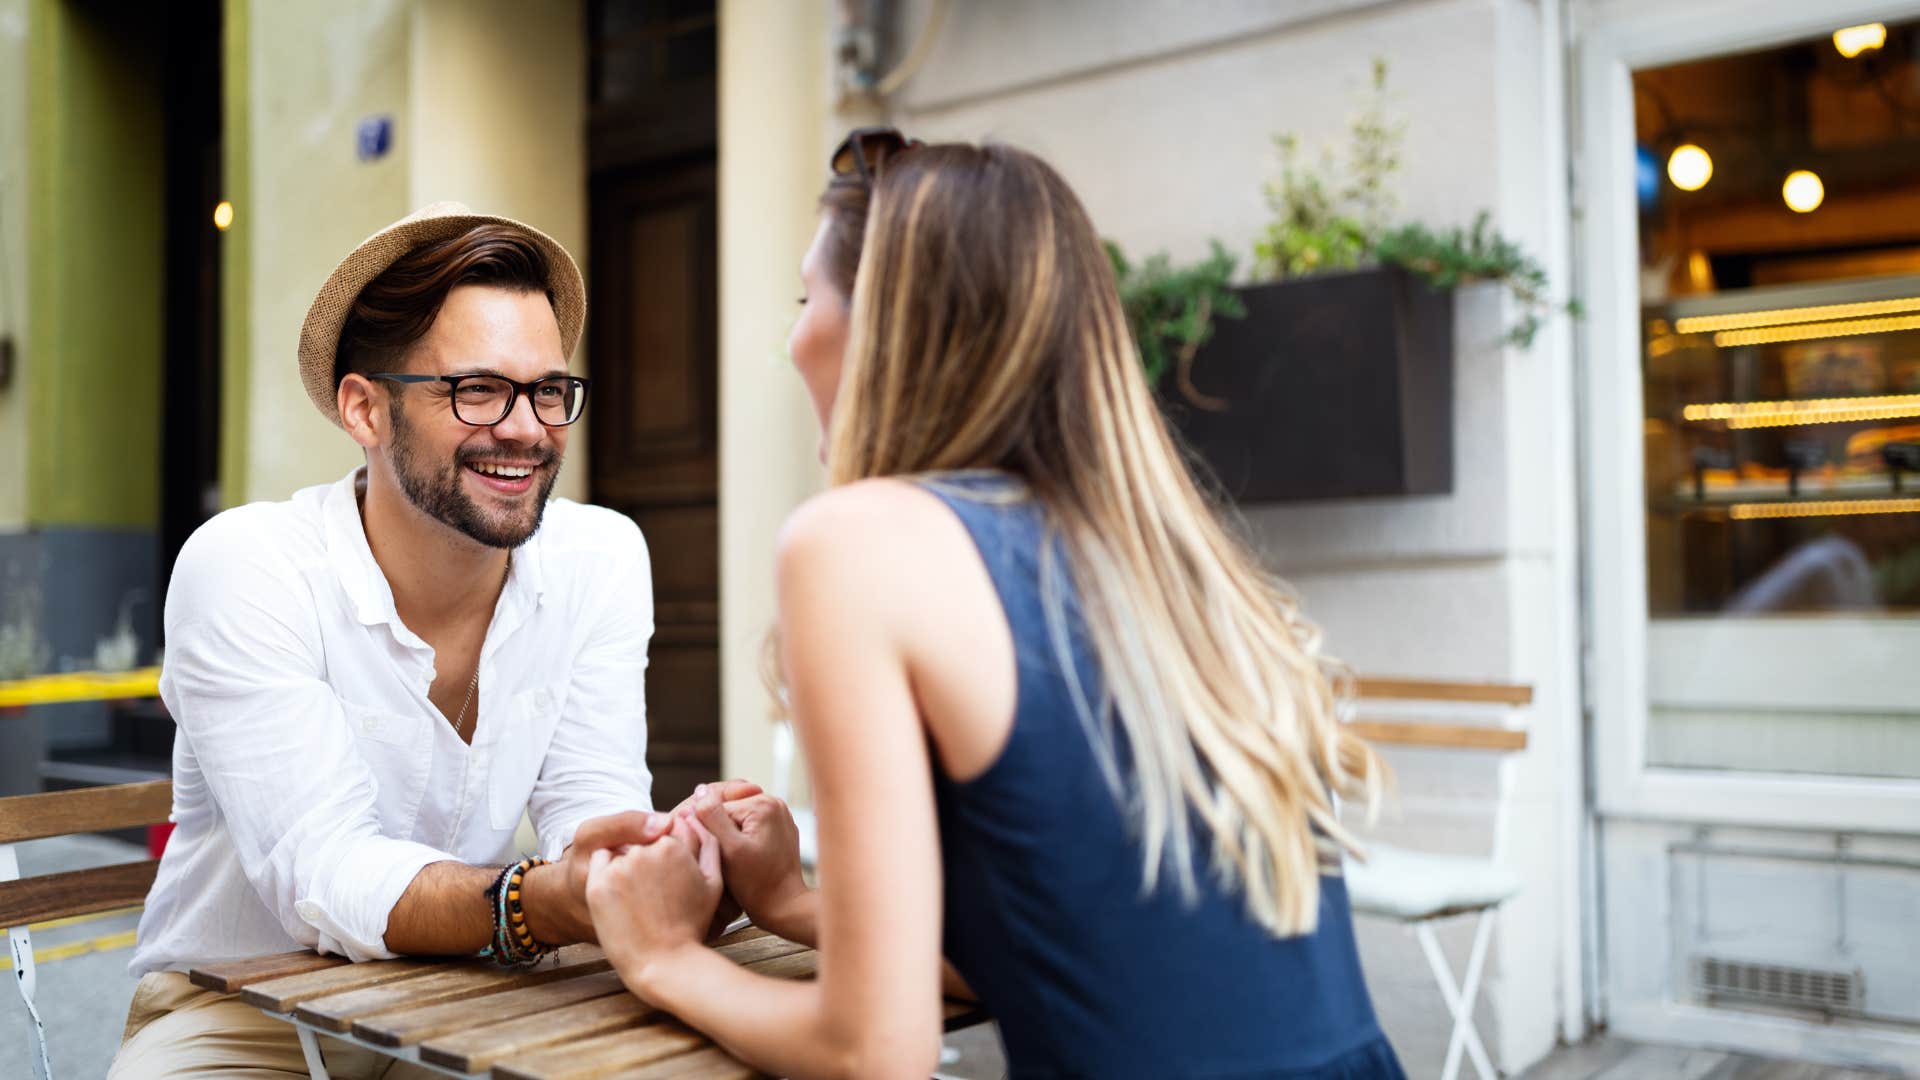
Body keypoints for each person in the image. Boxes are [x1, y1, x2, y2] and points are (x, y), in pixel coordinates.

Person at [584, 133, 1406, 1078]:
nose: (792, 338)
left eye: (808, 300)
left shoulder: (856, 540)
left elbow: (871, 1057)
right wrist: (790, 903)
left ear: (889, 329)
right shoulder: (1167, 560)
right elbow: (1077, 946)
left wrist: (660, 954)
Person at [110, 203, 704, 1079]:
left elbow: (592, 806)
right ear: (365, 409)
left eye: (547, 389)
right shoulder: (250, 565)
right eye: (477, 388)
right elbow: (326, 873)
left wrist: (669, 856)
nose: (528, 429)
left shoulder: (601, 555)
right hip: (241, 1008)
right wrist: (538, 899)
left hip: (474, 991)